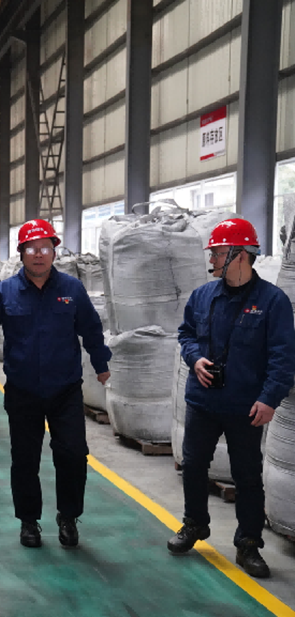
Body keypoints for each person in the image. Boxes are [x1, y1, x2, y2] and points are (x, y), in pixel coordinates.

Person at [168, 218, 295, 578]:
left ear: (241, 254)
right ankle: (195, 524)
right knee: (193, 466)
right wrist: (195, 358)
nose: (212, 259)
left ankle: (248, 543)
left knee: (247, 476)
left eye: (219, 253)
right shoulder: (202, 296)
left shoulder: (272, 301)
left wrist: (269, 399)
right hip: (202, 402)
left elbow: (283, 356)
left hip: (245, 406)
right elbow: (185, 334)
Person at [0, 219, 110, 550]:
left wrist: (101, 364)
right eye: (32, 249)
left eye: (45, 248)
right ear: (21, 253)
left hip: (65, 390)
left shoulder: (71, 289)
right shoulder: (4, 292)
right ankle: (28, 521)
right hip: (23, 391)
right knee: (25, 459)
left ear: (54, 252)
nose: (39, 254)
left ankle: (68, 515)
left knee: (73, 454)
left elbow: (91, 328)